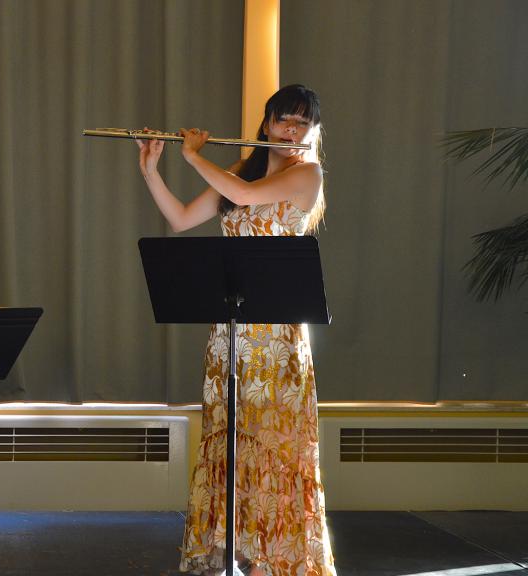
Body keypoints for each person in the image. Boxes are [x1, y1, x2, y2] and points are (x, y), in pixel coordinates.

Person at [135, 85, 335, 576]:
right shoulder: (241, 173)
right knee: (232, 442)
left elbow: (244, 197)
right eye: (283, 120)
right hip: (232, 335)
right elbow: (181, 219)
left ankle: (279, 558)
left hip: (278, 337)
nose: (291, 131)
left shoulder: (307, 174)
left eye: (301, 123)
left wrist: (192, 154)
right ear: (265, 124)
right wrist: (150, 169)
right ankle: (236, 555)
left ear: (312, 132)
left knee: (275, 444)